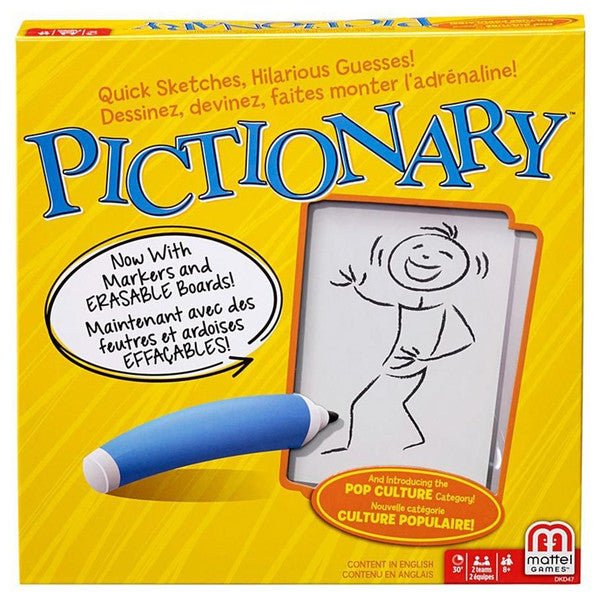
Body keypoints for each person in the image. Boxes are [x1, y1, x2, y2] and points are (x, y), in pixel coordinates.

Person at [323, 223, 479, 454]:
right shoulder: (409, 301)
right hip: (396, 364)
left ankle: (369, 448)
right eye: (418, 248)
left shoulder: (443, 307)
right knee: (386, 403)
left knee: (365, 404)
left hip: (409, 367)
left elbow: (466, 338)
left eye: (444, 254)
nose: (425, 257)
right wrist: (357, 286)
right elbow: (380, 300)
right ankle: (411, 441)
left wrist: (427, 359)